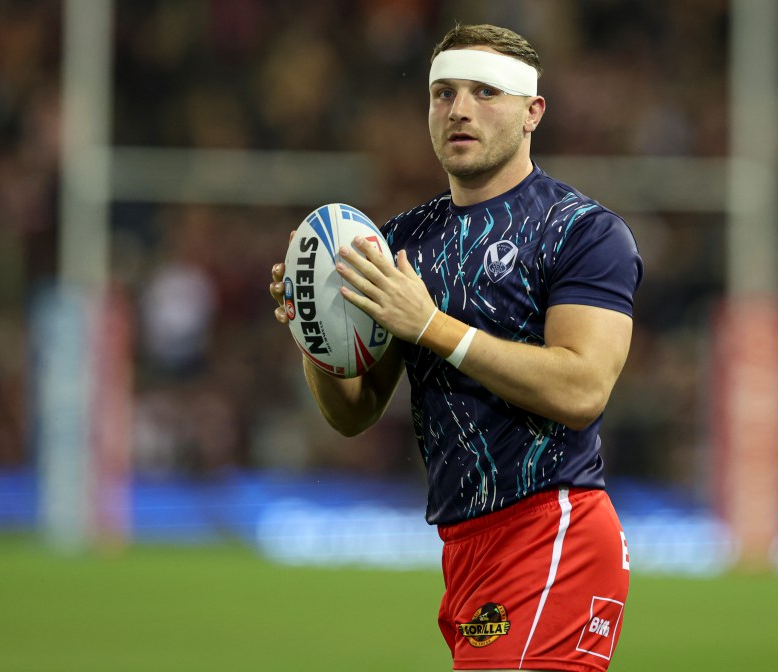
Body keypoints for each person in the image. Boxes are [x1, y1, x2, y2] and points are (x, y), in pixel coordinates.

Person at [270, 23, 642, 672]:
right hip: (465, 545)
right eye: (443, 93)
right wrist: (317, 334)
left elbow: (582, 391)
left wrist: (432, 325)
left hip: (554, 532)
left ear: (533, 112)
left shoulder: (582, 232)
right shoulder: (402, 239)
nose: (460, 109)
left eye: (484, 92)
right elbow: (354, 413)